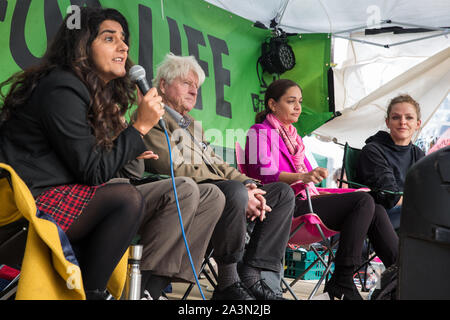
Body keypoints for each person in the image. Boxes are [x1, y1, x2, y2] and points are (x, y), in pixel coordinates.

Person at [0, 7, 224, 300]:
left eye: (123, 39)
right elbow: (93, 172)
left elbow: (126, 174)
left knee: (206, 195)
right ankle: (93, 293)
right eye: (109, 38)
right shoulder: (62, 87)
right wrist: (139, 128)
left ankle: (146, 291)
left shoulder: (101, 97)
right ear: (82, 45)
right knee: (124, 198)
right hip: (31, 204)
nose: (123, 46)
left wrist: (126, 141)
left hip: (81, 194)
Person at [140, 54, 295, 300]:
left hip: (220, 196)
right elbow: (171, 166)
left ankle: (254, 273)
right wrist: (238, 188)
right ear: (162, 85)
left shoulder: (192, 124)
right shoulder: (153, 118)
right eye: (186, 83)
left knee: (282, 194)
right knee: (232, 191)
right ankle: (227, 280)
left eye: (197, 87)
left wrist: (248, 184)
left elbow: (219, 163)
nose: (193, 91)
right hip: (190, 199)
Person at [244, 79, 399, 300]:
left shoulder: (294, 138)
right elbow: (263, 174)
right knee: (364, 203)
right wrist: (303, 176)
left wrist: (317, 184)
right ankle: (343, 279)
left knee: (372, 204)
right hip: (281, 207)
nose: (298, 107)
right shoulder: (259, 132)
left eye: (299, 101)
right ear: (272, 104)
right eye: (291, 101)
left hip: (305, 201)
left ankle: (401, 275)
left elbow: (310, 184)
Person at [357, 94, 425, 230]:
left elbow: (428, 190)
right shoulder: (373, 150)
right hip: (378, 215)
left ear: (418, 124)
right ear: (387, 122)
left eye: (409, 117)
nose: (402, 122)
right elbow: (389, 198)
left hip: (412, 214)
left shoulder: (418, 154)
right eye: (396, 117)